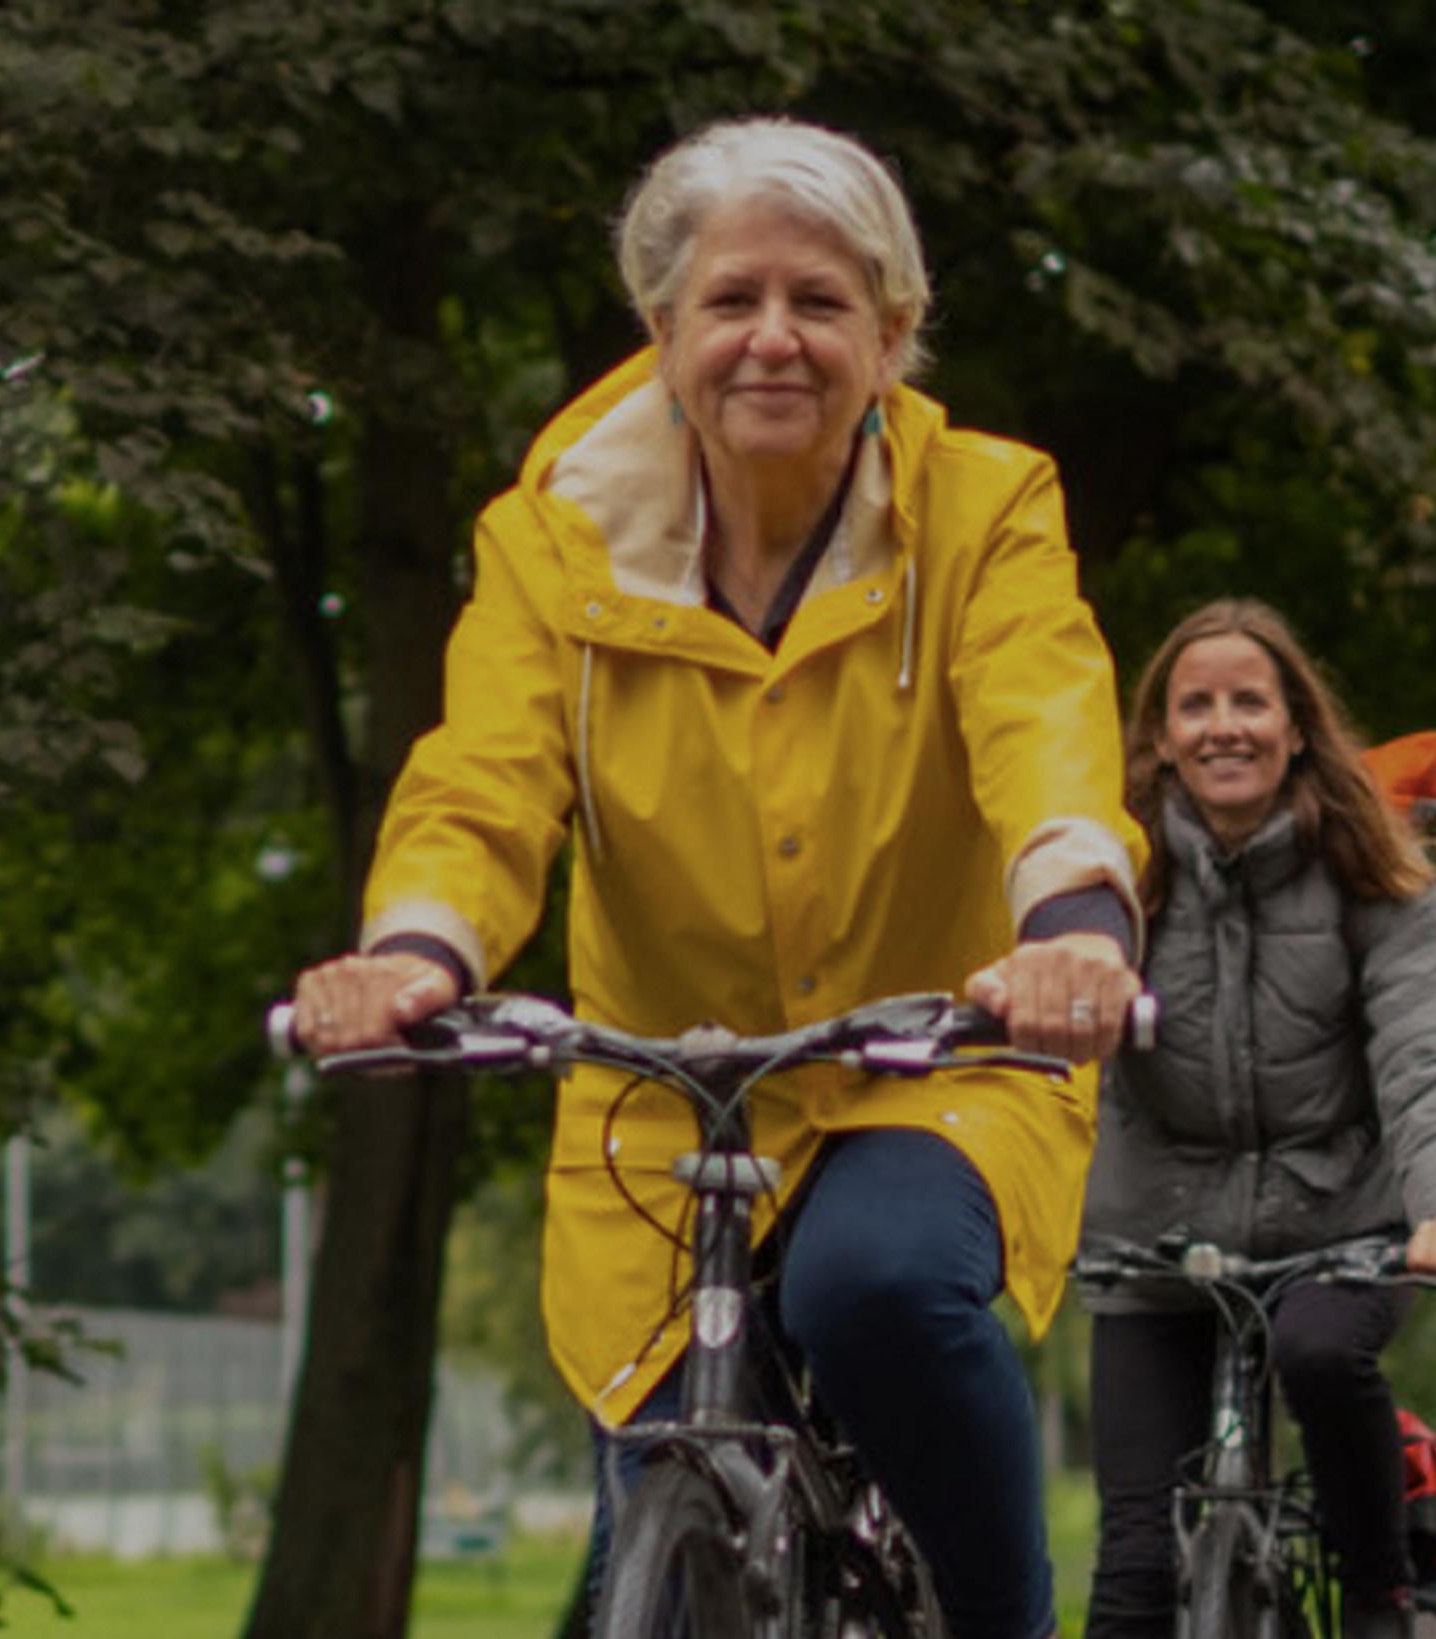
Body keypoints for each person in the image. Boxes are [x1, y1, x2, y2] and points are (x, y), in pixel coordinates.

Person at [292, 116, 1146, 1639]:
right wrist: (417, 947)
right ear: (663, 330)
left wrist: (1072, 922)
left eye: (821, 304)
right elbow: (487, 774)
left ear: (892, 336)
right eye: (731, 300)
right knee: (663, 1484)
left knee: (875, 1286)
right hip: (665, 1082)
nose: (774, 340)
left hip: (935, 1048)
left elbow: (1043, 718)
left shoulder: (989, 507)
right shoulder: (555, 543)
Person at [1078, 599, 1436, 1639]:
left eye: (1248, 700)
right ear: (1160, 737)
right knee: (1134, 1572)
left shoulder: (1373, 871)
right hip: (1160, 1238)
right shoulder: (1109, 877)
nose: (1222, 724)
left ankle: (1377, 1598)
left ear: (1295, 727)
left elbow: (1431, 1048)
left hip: (1338, 1230)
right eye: (1194, 705)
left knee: (1321, 1353)